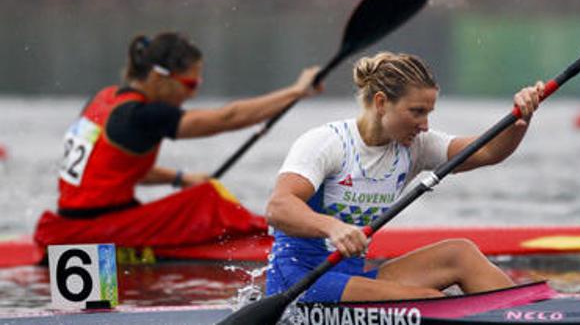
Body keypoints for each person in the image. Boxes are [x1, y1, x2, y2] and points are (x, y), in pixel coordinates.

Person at [265, 52, 544, 302]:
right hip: (300, 282)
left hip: (351, 276)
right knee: (429, 300)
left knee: (460, 254)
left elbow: (487, 151)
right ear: (381, 102)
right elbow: (278, 207)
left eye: (428, 113)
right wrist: (333, 227)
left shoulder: (415, 146)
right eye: (417, 112)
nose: (425, 125)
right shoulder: (327, 142)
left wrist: (520, 118)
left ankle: (532, 315)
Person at [34, 32, 322, 249]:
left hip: (73, 221)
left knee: (201, 192)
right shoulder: (142, 115)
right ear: (160, 78)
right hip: (97, 231)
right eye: (190, 84)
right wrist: (296, 91)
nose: (193, 94)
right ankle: (284, 241)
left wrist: (180, 178)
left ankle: (270, 231)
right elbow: (227, 118)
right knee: (206, 199)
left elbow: (112, 170)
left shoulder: (104, 98)